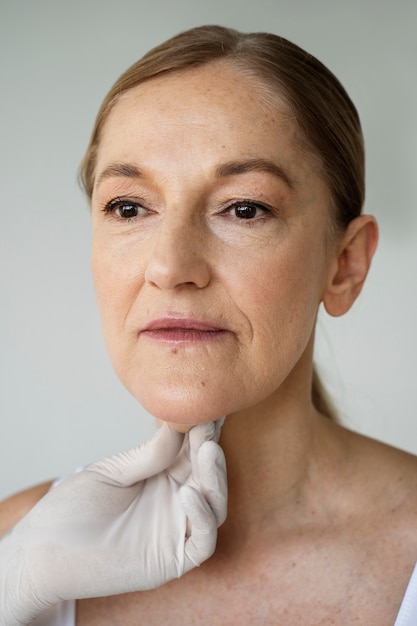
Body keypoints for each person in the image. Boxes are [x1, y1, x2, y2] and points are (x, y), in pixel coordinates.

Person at [1, 24, 417, 625]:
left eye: (244, 208)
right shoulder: (21, 544)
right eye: (129, 207)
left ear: (345, 265)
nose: (170, 267)